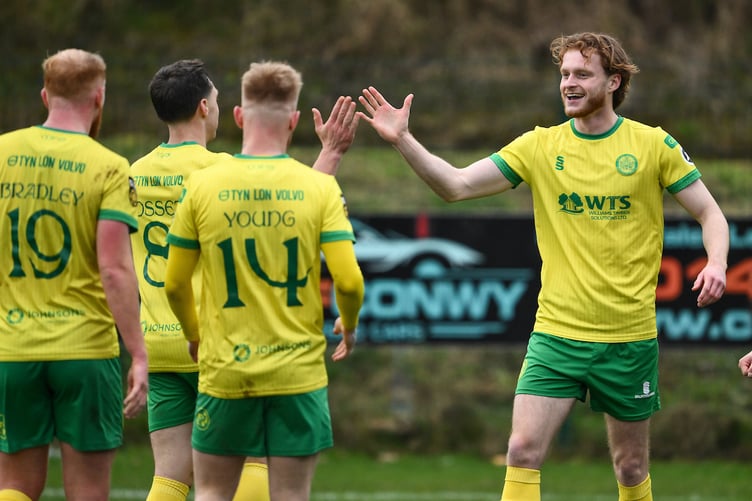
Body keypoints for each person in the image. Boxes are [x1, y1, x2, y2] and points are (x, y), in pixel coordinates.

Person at [357, 32, 729, 501]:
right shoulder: (539, 146)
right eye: (564, 75)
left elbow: (711, 214)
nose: (569, 84)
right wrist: (403, 140)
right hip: (556, 334)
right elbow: (455, 186)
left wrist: (716, 262)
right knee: (522, 450)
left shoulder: (653, 145)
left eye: (582, 75)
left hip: (629, 338)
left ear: (613, 82)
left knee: (630, 467)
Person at [132, 59, 361, 501]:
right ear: (206, 108)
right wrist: (329, 154)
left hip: (161, 339)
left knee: (170, 478)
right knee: (253, 463)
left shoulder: (133, 175)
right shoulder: (218, 174)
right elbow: (291, 208)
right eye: (216, 101)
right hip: (224, 340)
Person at [0, 49, 148, 501]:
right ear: (99, 97)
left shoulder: (2, 152)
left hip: (12, 348)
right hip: (85, 352)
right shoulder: (107, 166)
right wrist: (138, 352)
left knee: (14, 487)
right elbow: (115, 268)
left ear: (45, 95)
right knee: (86, 492)